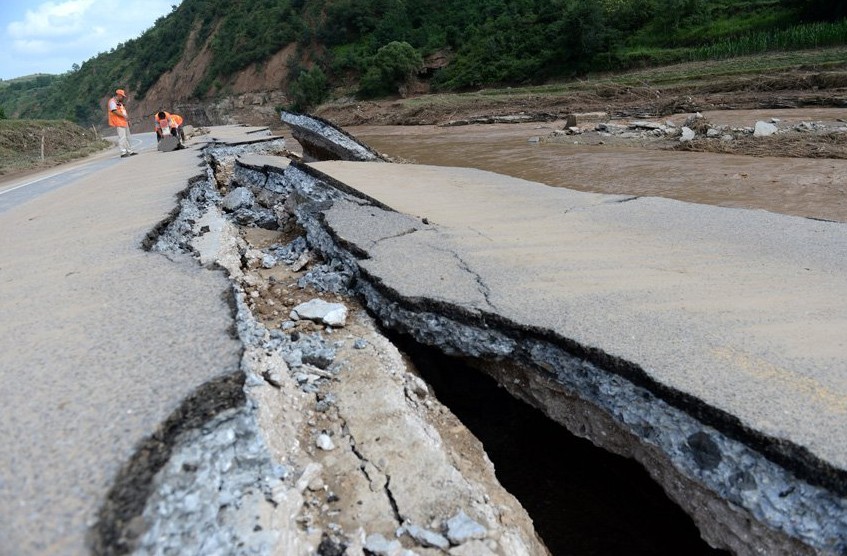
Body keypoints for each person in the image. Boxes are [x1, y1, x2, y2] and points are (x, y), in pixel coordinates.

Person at [107, 89, 136, 157]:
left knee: (128, 137)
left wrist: (128, 121)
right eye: (122, 96)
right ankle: (123, 152)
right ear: (119, 95)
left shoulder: (119, 103)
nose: (123, 98)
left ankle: (130, 151)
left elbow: (124, 112)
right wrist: (124, 116)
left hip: (124, 122)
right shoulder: (112, 101)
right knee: (122, 138)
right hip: (119, 122)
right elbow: (114, 111)